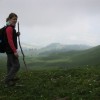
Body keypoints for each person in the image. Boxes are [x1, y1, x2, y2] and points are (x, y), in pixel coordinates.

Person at [4, 13, 20, 87]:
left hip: (9, 50)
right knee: (16, 65)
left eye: (16, 19)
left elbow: (11, 37)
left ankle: (10, 78)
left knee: (10, 65)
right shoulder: (9, 28)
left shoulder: (10, 27)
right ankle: (7, 80)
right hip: (11, 50)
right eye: (14, 19)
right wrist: (15, 51)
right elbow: (10, 40)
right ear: (10, 19)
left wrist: (16, 34)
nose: (15, 20)